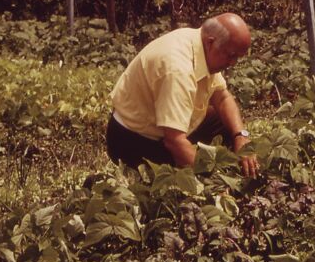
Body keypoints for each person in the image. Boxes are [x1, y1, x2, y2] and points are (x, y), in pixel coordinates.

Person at [105, 12, 260, 178]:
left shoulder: (199, 43)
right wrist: (214, 182)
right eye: (231, 56)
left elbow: (222, 97)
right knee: (174, 182)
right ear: (211, 43)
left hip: (166, 126)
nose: (232, 64)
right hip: (133, 139)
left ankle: (231, 168)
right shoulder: (178, 68)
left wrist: (240, 136)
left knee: (226, 123)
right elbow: (174, 141)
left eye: (237, 57)